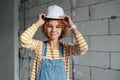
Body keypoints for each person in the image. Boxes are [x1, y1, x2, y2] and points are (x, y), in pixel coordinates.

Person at [20, 5, 88, 80]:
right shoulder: (39, 46)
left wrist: (71, 26)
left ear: (62, 29)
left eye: (58, 27)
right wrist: (38, 23)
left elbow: (83, 48)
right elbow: (24, 39)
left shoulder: (66, 49)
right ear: (45, 28)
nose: (53, 30)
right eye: (50, 26)